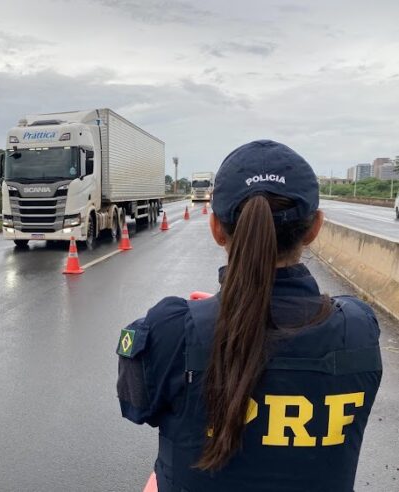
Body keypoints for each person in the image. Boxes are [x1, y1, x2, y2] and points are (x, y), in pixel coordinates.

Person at [116, 140, 382, 492]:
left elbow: (136, 405)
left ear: (216, 228)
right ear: (315, 228)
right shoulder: (359, 330)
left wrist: (214, 312)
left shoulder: (172, 330)